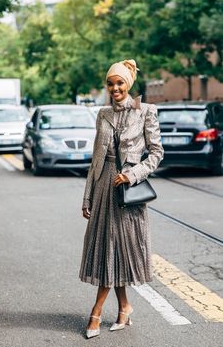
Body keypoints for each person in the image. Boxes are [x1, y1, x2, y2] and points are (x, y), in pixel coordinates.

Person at [79, 59, 164, 339]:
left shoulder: (146, 112)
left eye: (120, 83)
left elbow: (156, 154)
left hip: (127, 193)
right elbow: (96, 160)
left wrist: (133, 173)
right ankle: (125, 306)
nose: (115, 88)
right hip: (104, 189)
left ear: (129, 84)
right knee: (108, 249)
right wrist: (87, 196)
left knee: (117, 248)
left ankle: (96, 311)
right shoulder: (102, 114)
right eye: (110, 83)